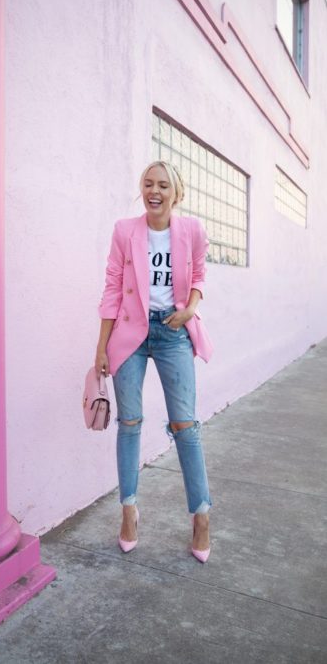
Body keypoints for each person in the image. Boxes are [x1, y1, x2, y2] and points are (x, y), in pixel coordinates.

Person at [95, 160, 213, 563]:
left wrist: (190, 309)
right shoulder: (124, 231)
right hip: (130, 334)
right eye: (148, 184)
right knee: (129, 424)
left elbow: (198, 275)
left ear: (175, 193)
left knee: (185, 425)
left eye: (163, 185)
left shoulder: (192, 231)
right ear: (141, 189)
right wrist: (101, 347)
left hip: (173, 332)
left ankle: (201, 516)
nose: (154, 191)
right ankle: (128, 511)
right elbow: (112, 287)